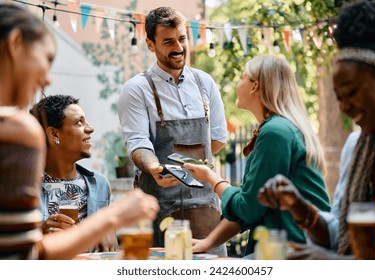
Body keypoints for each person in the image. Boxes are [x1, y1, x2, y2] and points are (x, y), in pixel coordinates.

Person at [0, 3, 159, 260]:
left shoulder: (97, 184)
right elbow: (25, 257)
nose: (47, 79)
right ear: (16, 43)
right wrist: (112, 218)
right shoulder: (15, 130)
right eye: (47, 59)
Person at [257, 0, 375, 259]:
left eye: (351, 93)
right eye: (338, 97)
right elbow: (339, 236)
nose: (344, 108)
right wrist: (299, 206)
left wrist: (331, 264)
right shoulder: (356, 147)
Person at [183, 54, 331, 256]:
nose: (238, 83)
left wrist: (211, 178)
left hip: (294, 251)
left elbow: (248, 208)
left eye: (243, 76)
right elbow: (252, 208)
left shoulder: (275, 132)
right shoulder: (278, 128)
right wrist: (206, 243)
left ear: (255, 86)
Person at [117, 6, 227, 251]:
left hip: (206, 204)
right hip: (161, 206)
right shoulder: (137, 89)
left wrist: (191, 171)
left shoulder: (205, 82)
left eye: (182, 38)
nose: (178, 47)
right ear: (150, 44)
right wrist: (155, 167)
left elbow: (216, 141)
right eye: (168, 41)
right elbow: (138, 143)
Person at [30, 94, 117, 252]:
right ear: (54, 134)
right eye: (79, 122)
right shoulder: (24, 188)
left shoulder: (100, 184)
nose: (90, 128)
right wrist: (38, 237)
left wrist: (108, 228)